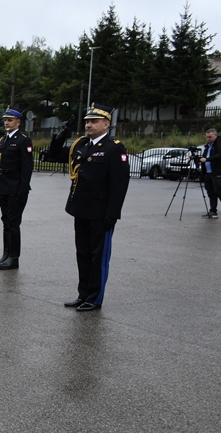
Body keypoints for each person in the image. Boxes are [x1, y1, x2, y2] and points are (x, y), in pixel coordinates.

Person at [45, 104, 129, 311]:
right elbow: (54, 155)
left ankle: (94, 297)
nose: (88, 125)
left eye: (93, 121)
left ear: (106, 124)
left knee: (97, 256)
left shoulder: (114, 148)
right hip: (80, 209)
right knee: (82, 254)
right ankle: (83, 294)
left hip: (100, 214)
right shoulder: (82, 145)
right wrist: (61, 134)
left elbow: (119, 186)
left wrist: (112, 214)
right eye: (87, 121)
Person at [0, 107, 33, 270]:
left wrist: (23, 189)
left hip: (16, 187)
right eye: (5, 120)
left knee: (13, 223)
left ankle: (14, 258)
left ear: (18, 122)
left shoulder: (23, 140)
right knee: (6, 221)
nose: (7, 122)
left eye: (10, 120)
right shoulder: (4, 140)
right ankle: (6, 254)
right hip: (4, 186)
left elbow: (27, 167)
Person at [199, 127, 221, 218]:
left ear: (215, 135)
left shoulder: (219, 143)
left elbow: (220, 154)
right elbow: (204, 157)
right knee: (210, 192)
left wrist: (208, 159)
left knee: (218, 191)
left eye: (210, 137)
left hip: (217, 172)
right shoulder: (208, 146)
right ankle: (213, 211)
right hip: (208, 172)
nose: (208, 139)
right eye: (207, 137)